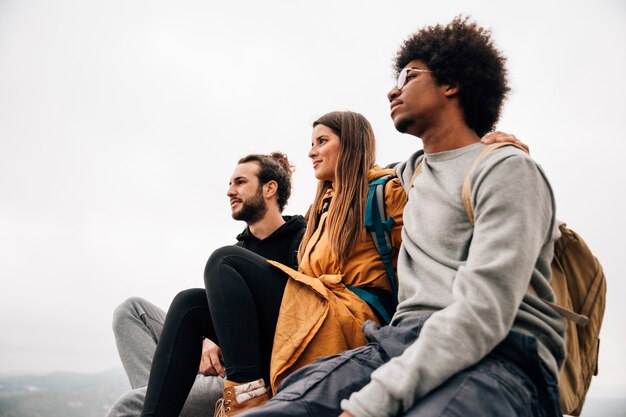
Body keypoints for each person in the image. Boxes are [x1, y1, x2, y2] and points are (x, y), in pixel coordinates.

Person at [242, 16, 566, 417]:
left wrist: (371, 404)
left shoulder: (505, 169)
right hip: (398, 343)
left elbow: (484, 312)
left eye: (409, 75)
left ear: (452, 84)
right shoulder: (409, 173)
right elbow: (357, 173)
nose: (393, 89)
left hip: (500, 355)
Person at [139, 110, 407, 417]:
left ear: (350, 145)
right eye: (311, 142)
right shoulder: (321, 209)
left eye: (322, 141)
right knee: (188, 304)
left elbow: (414, 260)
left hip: (349, 319)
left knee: (225, 260)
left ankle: (247, 398)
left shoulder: (387, 190)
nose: (311, 151)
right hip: (315, 313)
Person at [106, 152, 306, 417]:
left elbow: (297, 319)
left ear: (270, 188)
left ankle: (164, 397)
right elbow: (215, 314)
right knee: (131, 310)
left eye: (240, 182)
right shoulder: (236, 253)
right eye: (230, 183)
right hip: (208, 368)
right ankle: (166, 394)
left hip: (247, 379)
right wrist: (205, 338)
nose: (229, 191)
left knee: (130, 405)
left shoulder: (300, 243)